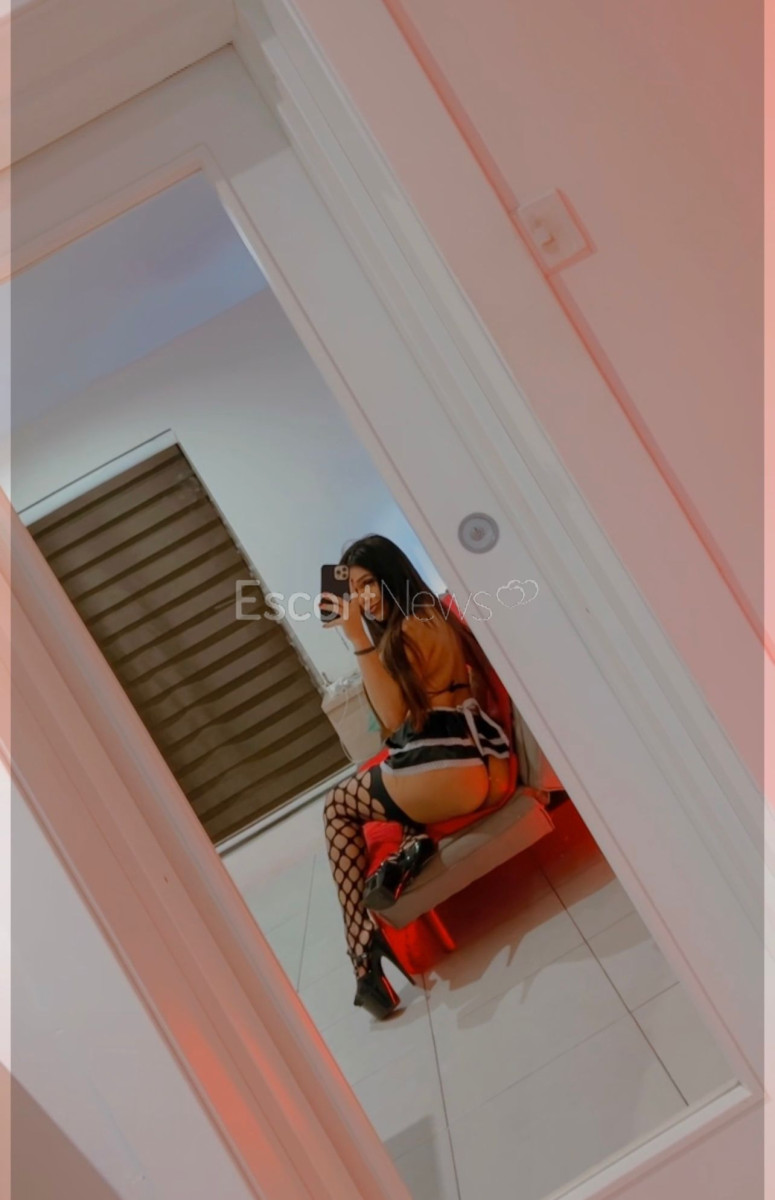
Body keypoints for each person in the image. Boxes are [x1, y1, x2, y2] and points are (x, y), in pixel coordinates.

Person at [320, 535, 512, 1019]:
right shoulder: (433, 614)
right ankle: (411, 844)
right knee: (388, 770)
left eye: (368, 583)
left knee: (337, 806)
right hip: (477, 760)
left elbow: (391, 718)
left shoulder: (405, 633)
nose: (362, 598)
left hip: (449, 770)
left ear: (390, 575)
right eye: (353, 590)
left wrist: (359, 640)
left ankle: (363, 954)